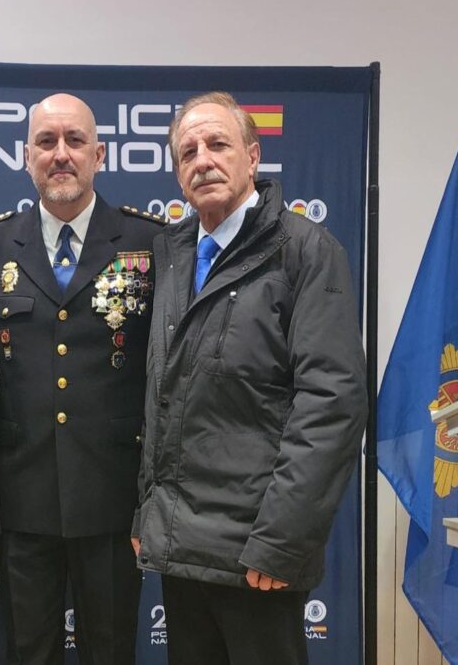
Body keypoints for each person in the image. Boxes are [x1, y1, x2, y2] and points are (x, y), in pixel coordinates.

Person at [131, 92, 367, 665]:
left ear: (253, 156)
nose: (203, 160)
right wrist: (148, 511)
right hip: (182, 547)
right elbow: (163, 398)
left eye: (218, 144)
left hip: (256, 554)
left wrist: (282, 541)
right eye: (188, 152)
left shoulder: (306, 251)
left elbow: (332, 405)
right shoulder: (171, 255)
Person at [0, 93, 166, 665]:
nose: (61, 154)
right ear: (26, 156)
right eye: (46, 142)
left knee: (111, 650)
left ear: (98, 155)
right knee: (30, 650)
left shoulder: (149, 240)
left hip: (113, 492)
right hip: (22, 494)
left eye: (75, 141)